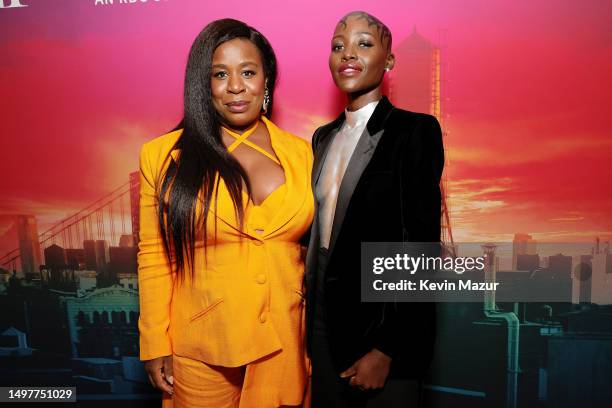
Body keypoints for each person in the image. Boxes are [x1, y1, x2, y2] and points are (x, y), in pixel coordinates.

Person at [137, 19, 314, 407]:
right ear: (204, 84)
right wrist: (153, 341)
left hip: (284, 341)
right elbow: (154, 257)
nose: (236, 86)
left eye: (248, 72)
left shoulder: (303, 153)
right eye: (220, 74)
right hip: (203, 345)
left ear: (267, 80)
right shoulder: (163, 157)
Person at [304, 11, 444, 407]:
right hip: (320, 325)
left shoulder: (415, 131)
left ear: (389, 61)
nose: (348, 54)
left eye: (364, 44)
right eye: (338, 46)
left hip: (379, 329)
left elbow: (419, 246)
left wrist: (387, 348)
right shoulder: (322, 137)